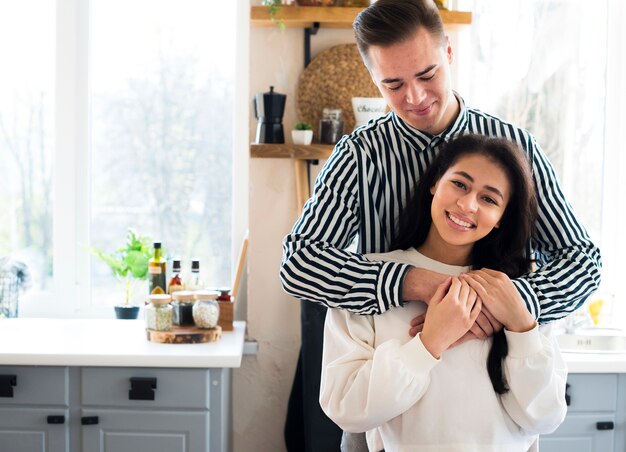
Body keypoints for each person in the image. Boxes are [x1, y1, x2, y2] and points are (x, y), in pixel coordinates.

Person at [280, 0, 600, 449]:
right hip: (385, 398)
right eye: (393, 83)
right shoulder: (358, 156)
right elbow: (298, 265)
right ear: (372, 77)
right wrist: (419, 283)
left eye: (427, 74)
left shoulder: (514, 148)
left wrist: (498, 305)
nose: (414, 97)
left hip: (495, 403)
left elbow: (583, 261)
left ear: (448, 52)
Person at [320, 134, 568, 451]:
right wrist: (429, 343)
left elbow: (545, 418)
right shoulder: (368, 279)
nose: (467, 204)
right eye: (460, 184)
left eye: (489, 199)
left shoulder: (519, 289)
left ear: (500, 219)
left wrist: (520, 324)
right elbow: (345, 408)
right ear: (435, 183)